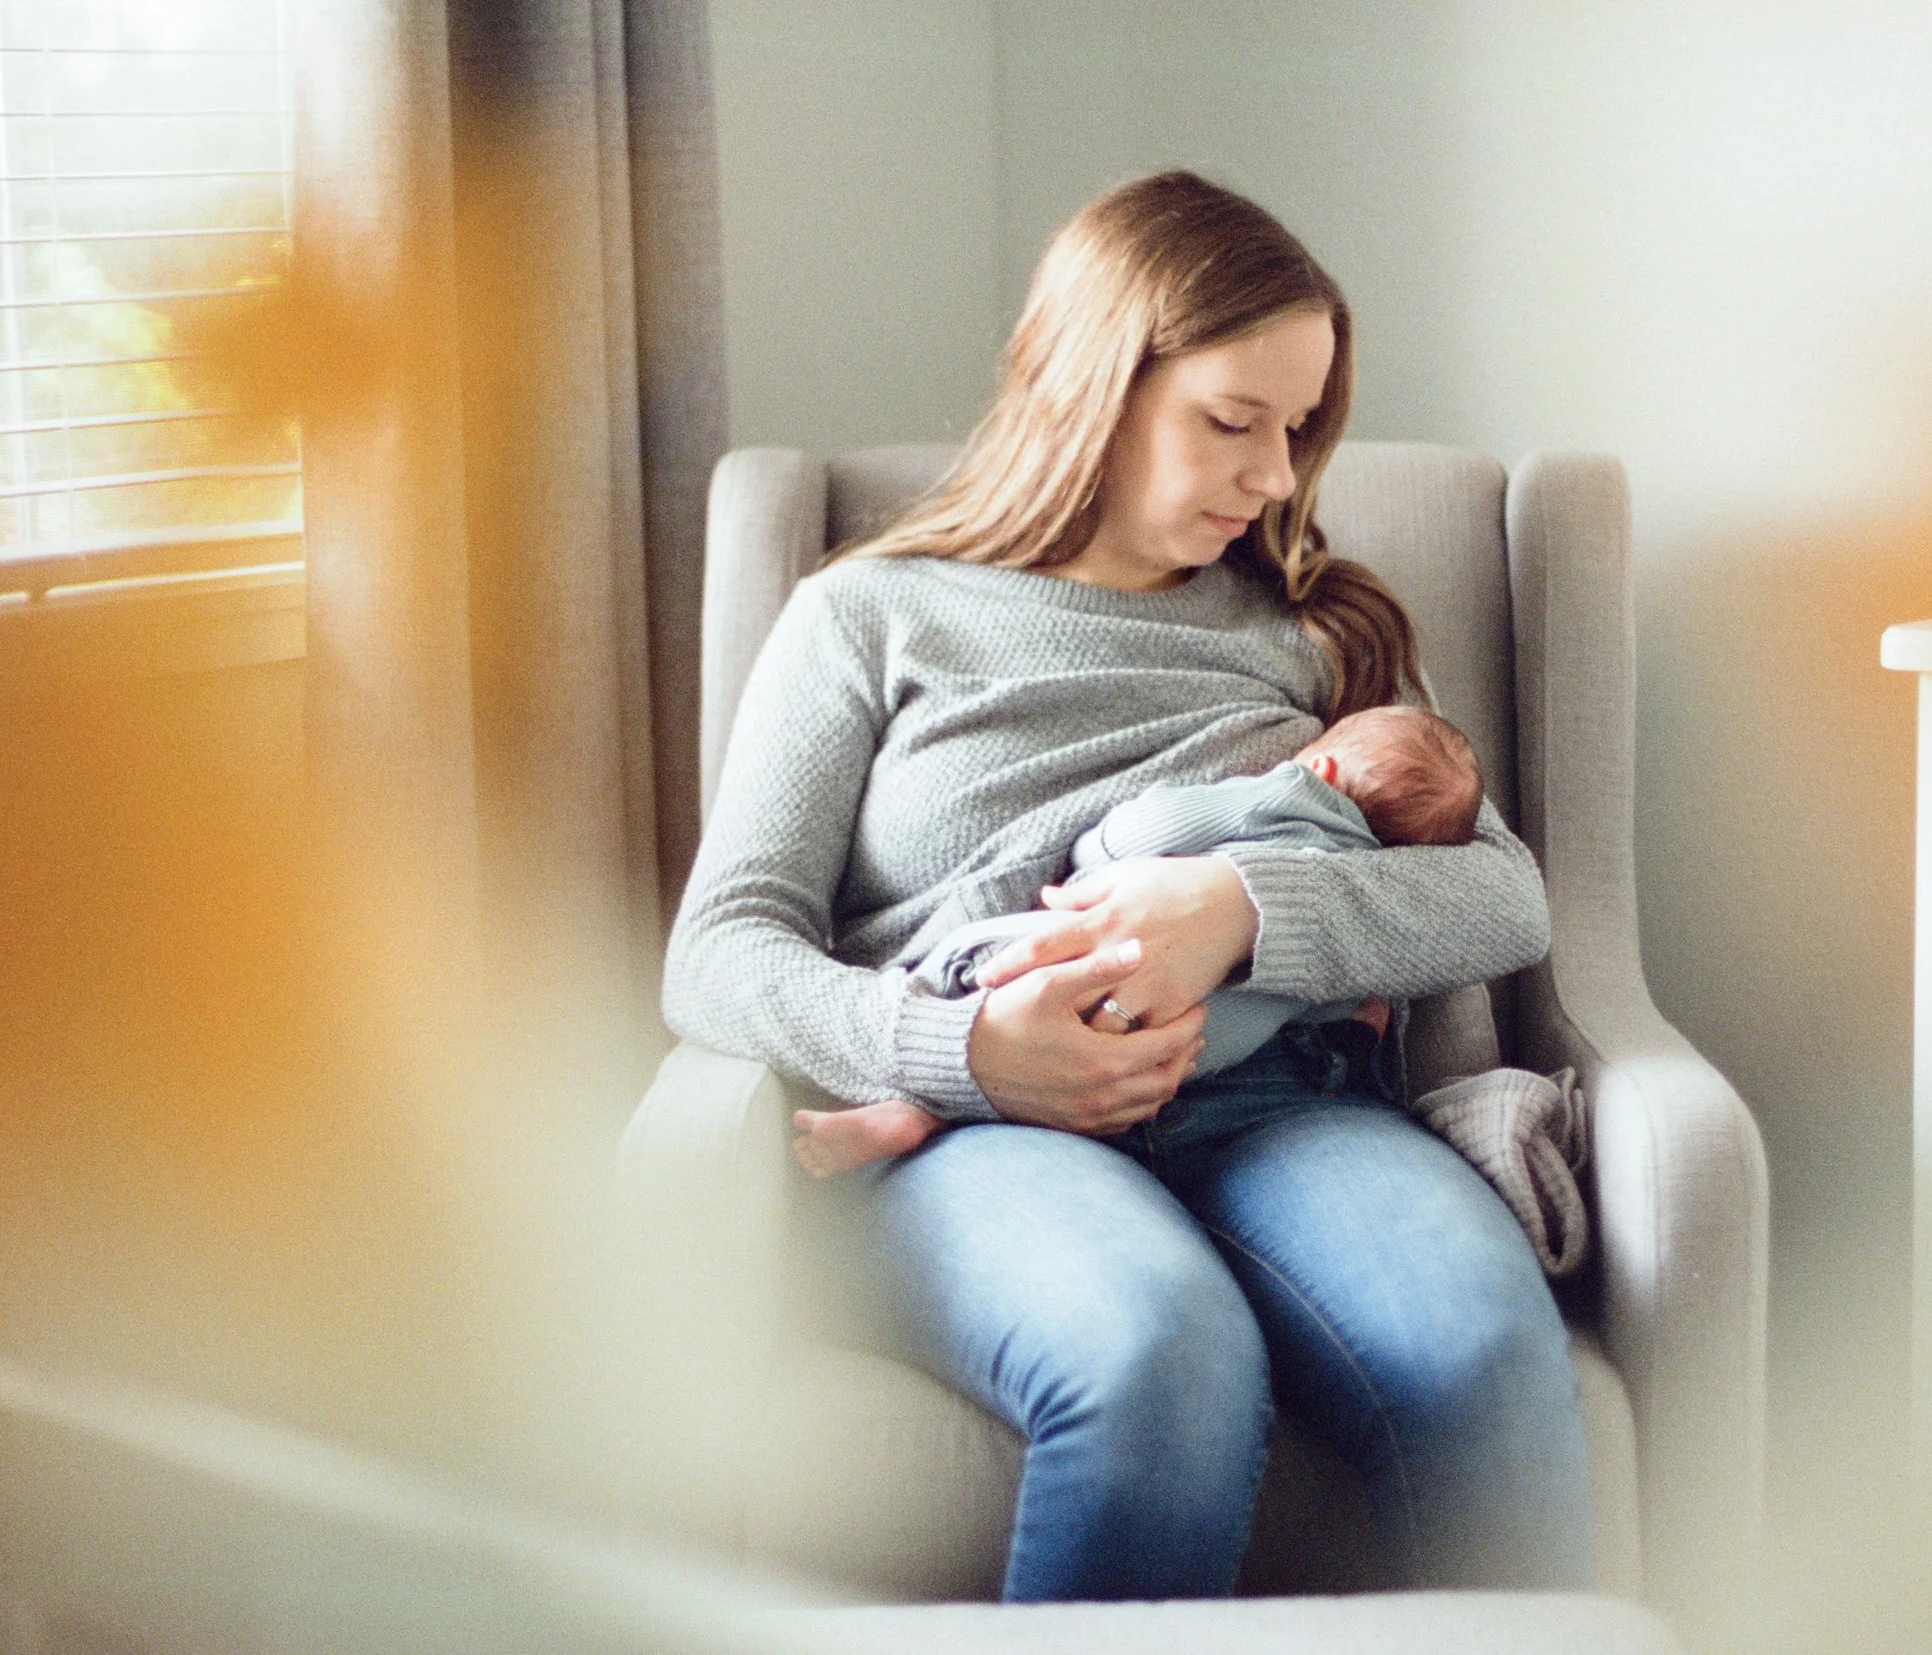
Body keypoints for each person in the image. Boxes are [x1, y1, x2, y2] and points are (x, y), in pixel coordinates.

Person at [663, 170, 1590, 1601]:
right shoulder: (869, 613)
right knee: (1158, 1353)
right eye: (1236, 421)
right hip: (973, 1121)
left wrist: (1242, 912)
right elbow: (720, 949)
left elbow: (1501, 898)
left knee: (1484, 1345)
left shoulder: (1320, 630)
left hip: (1277, 1104)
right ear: (1097, 382)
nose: (1278, 475)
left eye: (1298, 430)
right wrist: (957, 1048)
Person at [791, 703, 1484, 1177]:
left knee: (977, 959)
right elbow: (1337, 997)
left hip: (1093, 968)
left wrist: (1100, 850)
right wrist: (1354, 1019)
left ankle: (918, 1087)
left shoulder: (1282, 794)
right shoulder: (1367, 886)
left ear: (1324, 769)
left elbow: (1153, 827)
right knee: (1123, 1073)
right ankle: (924, 1110)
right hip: (1194, 1055)